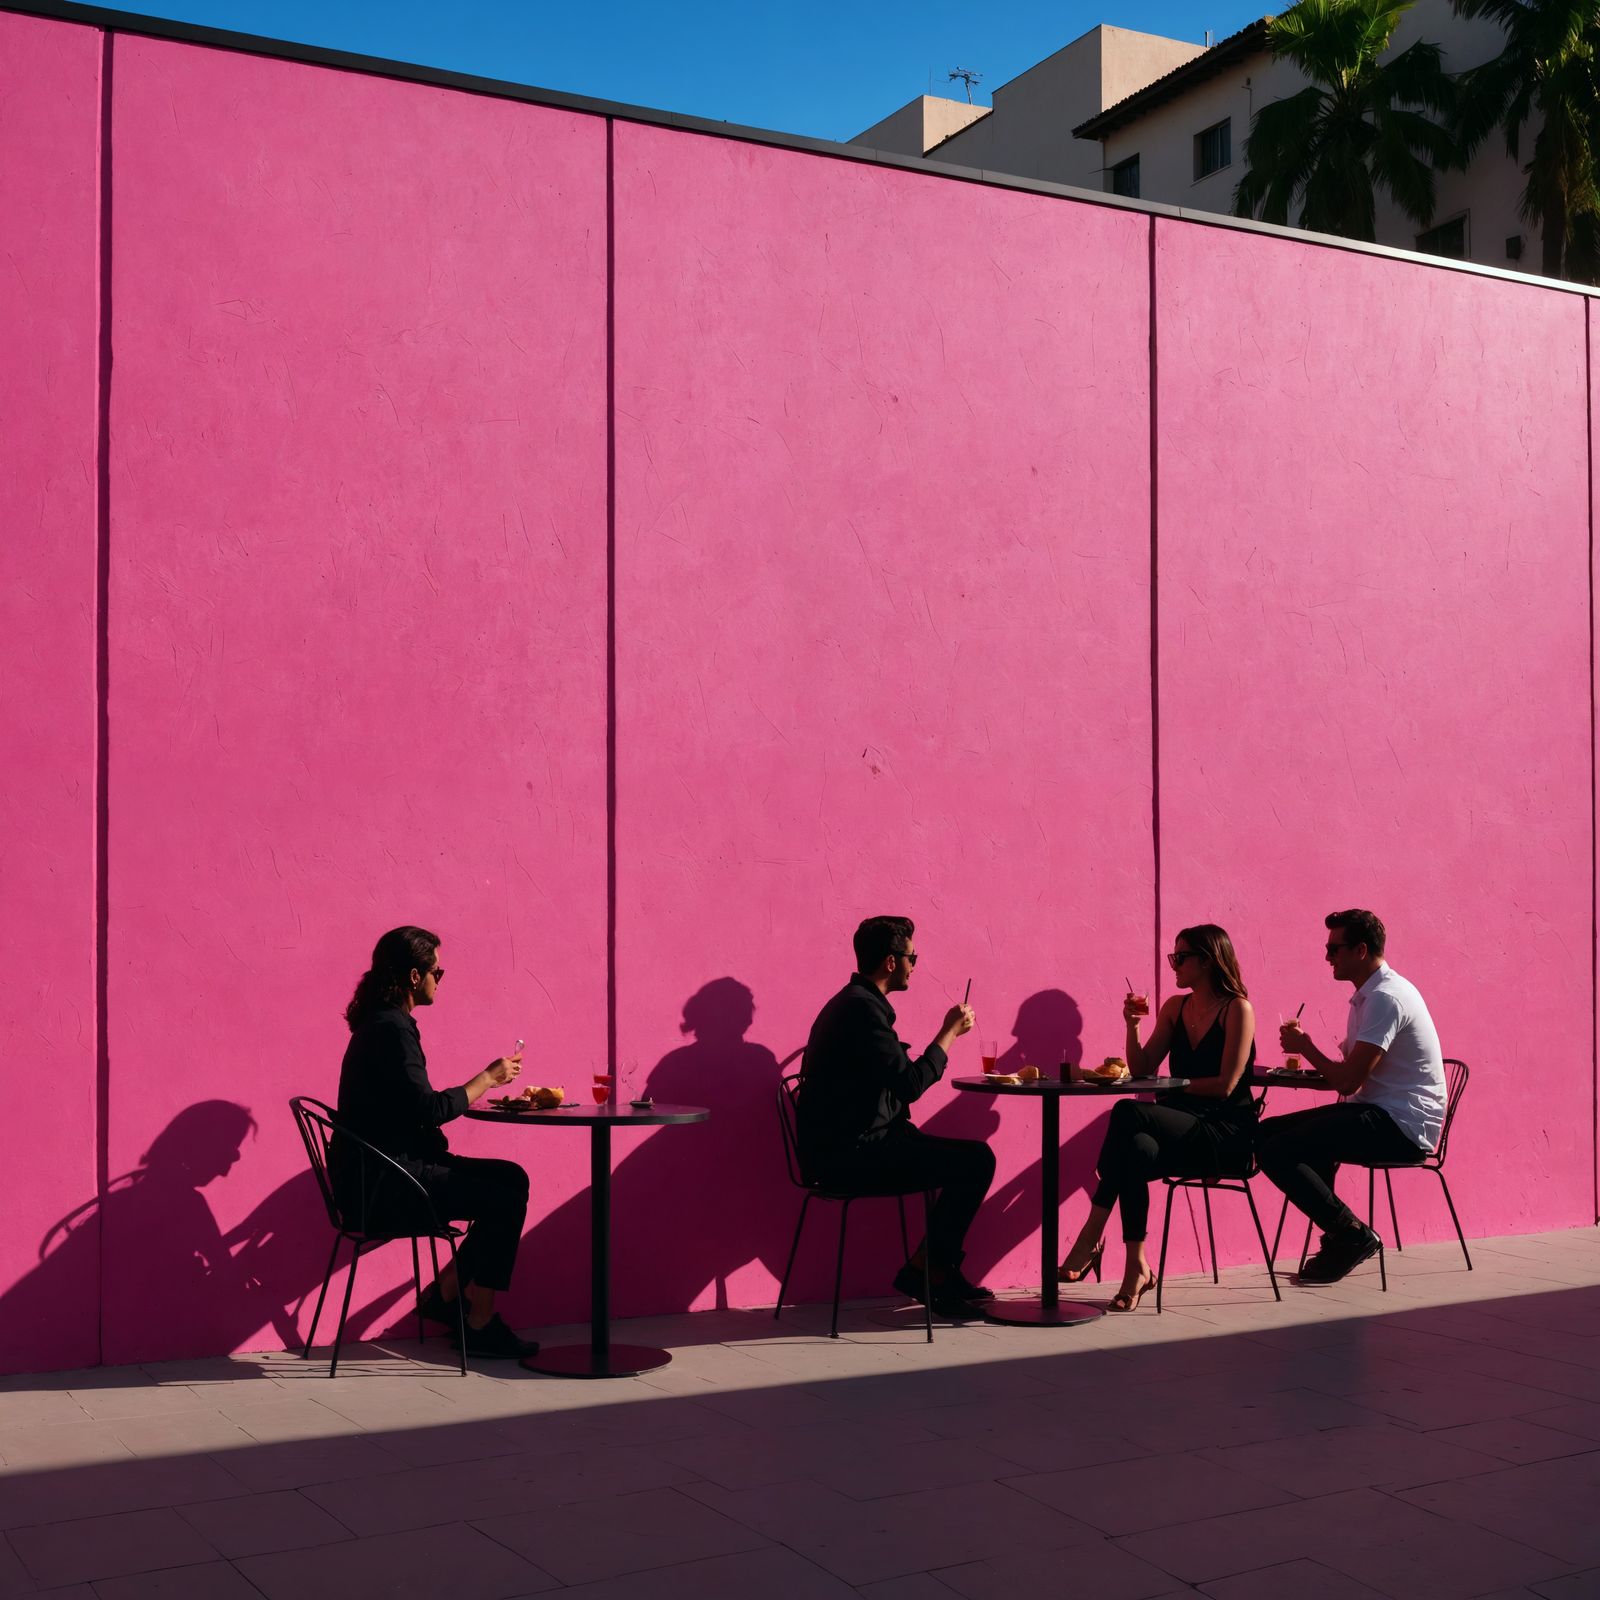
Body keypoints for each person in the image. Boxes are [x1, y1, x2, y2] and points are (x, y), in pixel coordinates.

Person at [334, 925, 537, 1359]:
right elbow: (427, 1110)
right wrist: (488, 1078)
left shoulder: (382, 1024)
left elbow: (408, 1110)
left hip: (385, 1172)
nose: (439, 981)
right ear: (414, 976)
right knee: (503, 1196)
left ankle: (445, 1295)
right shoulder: (392, 1030)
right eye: (437, 973)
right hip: (388, 1185)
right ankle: (479, 1321)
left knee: (511, 1178)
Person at [1057, 924, 1258, 1312]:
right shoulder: (1174, 1008)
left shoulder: (1237, 1009)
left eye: (1181, 957)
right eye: (1173, 957)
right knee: (1135, 1148)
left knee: (1127, 1111)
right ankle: (1138, 1267)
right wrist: (1132, 1028)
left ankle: (1091, 1233)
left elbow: (1225, 1086)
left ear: (1208, 960)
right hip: (1180, 1127)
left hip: (1224, 1133)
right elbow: (1143, 1067)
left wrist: (1171, 1086)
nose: (1174, 965)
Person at [797, 916, 992, 1314]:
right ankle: (930, 1270)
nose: (914, 965)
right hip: (849, 1156)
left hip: (855, 1142)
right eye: (912, 957)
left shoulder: (855, 1003)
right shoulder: (862, 1012)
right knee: (976, 1161)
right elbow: (911, 1085)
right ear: (891, 962)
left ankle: (936, 1266)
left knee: (966, 1158)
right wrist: (949, 1032)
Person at [1261, 909, 1446, 1285]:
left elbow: (1347, 1083)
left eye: (1335, 949)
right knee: (1265, 1135)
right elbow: (1347, 1077)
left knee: (1276, 1148)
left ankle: (1349, 1235)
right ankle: (1341, 1235)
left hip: (1402, 1125)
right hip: (1376, 1111)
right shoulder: (1368, 997)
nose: (1328, 957)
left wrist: (1306, 1046)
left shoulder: (1386, 998)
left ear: (1360, 950)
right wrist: (1307, 1068)